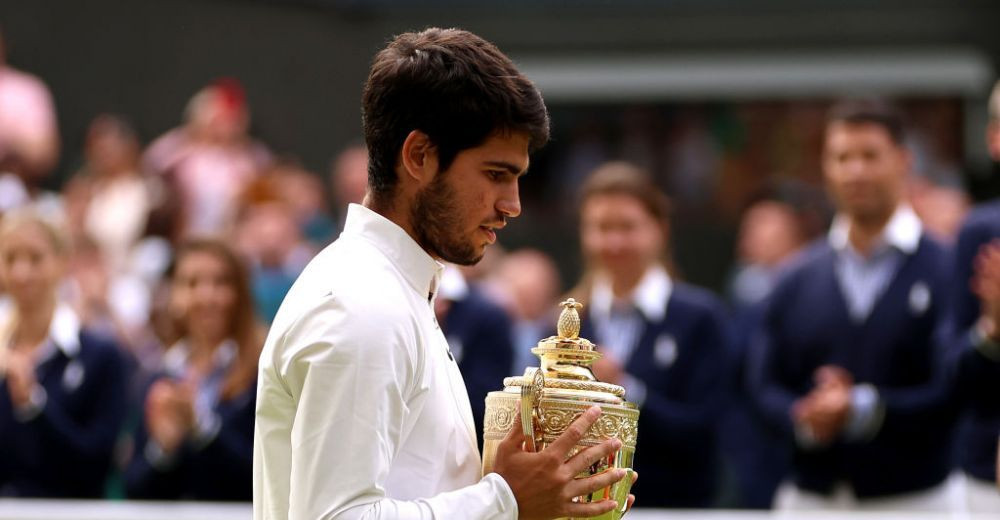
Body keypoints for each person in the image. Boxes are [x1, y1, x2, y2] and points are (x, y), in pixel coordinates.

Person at [254, 28, 633, 520]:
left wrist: (543, 494)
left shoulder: (391, 290)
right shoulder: (362, 304)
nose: (511, 205)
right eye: (496, 174)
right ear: (418, 157)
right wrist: (506, 501)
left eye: (517, 178)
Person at [747, 99, 957, 510]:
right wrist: (803, 415)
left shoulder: (945, 267)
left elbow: (954, 386)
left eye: (870, 156)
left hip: (918, 499)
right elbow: (761, 385)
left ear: (904, 161)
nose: (855, 171)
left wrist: (866, 408)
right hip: (810, 500)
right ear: (825, 167)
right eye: (842, 157)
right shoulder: (795, 277)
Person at [568, 161, 730, 508]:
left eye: (627, 227)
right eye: (600, 227)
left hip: (677, 507)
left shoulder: (701, 316)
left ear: (660, 229)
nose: (613, 241)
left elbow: (708, 429)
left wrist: (626, 389)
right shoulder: (569, 321)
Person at [0, 209, 128, 497]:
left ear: (61, 263)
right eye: (10, 259)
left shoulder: (101, 355)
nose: (22, 272)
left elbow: (97, 462)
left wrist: (33, 406)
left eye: (35, 258)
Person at [125, 238, 260, 501]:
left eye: (220, 282)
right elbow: (135, 489)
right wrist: (163, 449)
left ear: (240, 293)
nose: (205, 296)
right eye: (192, 283)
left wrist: (202, 427)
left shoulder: (263, 370)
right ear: (174, 295)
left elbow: (262, 477)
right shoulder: (159, 376)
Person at [948, 79, 1000, 510]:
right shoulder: (979, 235)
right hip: (986, 478)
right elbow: (951, 376)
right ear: (995, 140)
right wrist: (992, 330)